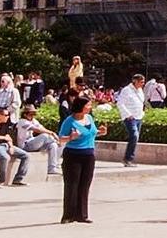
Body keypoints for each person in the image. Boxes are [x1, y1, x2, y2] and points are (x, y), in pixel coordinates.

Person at [56, 94, 106, 223]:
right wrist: (71, 137)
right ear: (81, 106)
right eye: (88, 105)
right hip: (73, 155)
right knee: (72, 186)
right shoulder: (69, 121)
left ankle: (82, 215)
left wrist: (101, 132)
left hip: (89, 155)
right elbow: (60, 138)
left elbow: (91, 134)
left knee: (84, 186)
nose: (90, 107)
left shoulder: (89, 118)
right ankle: (68, 215)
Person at [0, 106, 29, 187]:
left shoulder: (5, 124)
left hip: (6, 145)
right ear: (0, 115)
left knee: (26, 155)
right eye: (6, 115)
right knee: (5, 157)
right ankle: (1, 181)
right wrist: (4, 138)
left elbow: (8, 137)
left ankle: (18, 180)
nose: (8, 117)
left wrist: (11, 146)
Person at [15, 104, 61, 177]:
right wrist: (52, 133)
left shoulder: (33, 120)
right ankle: (57, 142)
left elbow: (42, 128)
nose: (33, 116)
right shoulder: (22, 122)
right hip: (25, 146)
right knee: (45, 136)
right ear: (25, 114)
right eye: (31, 114)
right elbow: (37, 130)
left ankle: (52, 168)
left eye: (34, 114)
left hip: (33, 144)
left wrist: (52, 135)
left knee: (53, 145)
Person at [114, 73, 148, 168]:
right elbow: (120, 103)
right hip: (130, 117)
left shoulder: (140, 90)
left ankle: (129, 159)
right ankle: (128, 159)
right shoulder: (126, 90)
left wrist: (142, 113)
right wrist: (128, 115)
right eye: (141, 82)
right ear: (135, 81)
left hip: (139, 117)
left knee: (135, 138)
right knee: (134, 135)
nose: (142, 84)